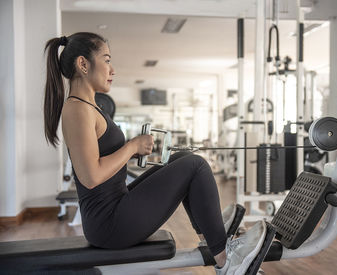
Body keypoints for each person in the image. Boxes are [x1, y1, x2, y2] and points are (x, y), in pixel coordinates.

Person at [43, 32, 267, 274]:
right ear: (83, 64)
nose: (112, 69)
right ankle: (227, 263)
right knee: (197, 166)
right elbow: (91, 176)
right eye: (107, 60)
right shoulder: (77, 109)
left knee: (181, 159)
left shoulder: (89, 106)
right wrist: (131, 147)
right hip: (109, 223)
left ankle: (210, 234)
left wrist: (134, 146)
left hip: (114, 208)